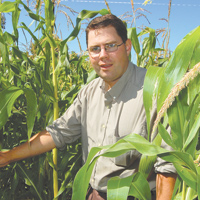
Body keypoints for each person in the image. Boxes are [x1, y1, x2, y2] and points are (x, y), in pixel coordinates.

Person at [0, 14, 176, 200]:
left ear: (127, 46)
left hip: (135, 195)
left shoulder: (154, 90)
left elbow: (168, 166)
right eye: (95, 49)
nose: (103, 55)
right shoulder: (88, 93)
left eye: (111, 46)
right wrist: (7, 156)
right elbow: (57, 133)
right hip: (92, 193)